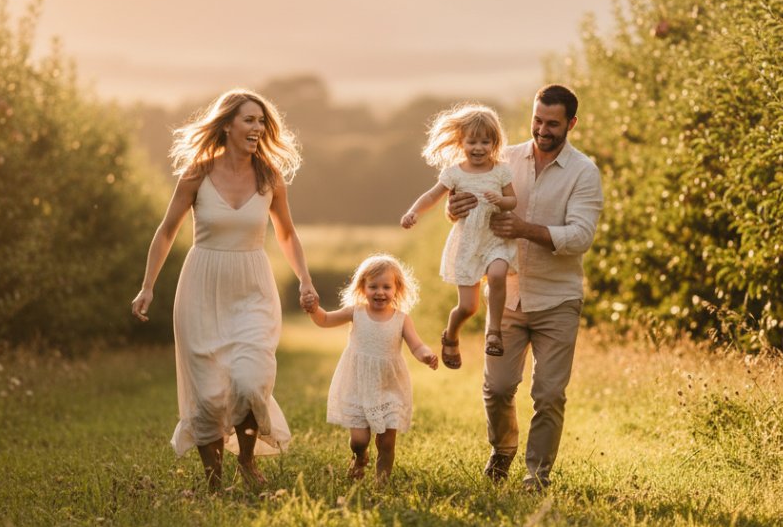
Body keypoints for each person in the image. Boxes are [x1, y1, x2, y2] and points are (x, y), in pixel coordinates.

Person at [131, 89, 319, 491]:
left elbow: (286, 233)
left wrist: (304, 279)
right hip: (201, 286)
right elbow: (166, 232)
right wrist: (147, 286)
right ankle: (213, 480)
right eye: (249, 120)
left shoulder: (270, 176)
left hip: (252, 286)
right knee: (210, 394)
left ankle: (247, 461)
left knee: (250, 380)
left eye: (261, 121)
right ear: (228, 124)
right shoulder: (197, 174)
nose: (257, 128)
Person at [447, 85, 603, 491]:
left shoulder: (584, 172)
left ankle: (537, 475)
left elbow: (581, 236)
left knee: (549, 393)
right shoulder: (505, 160)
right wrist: (454, 209)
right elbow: (468, 205)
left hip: (558, 299)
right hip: (507, 297)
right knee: (497, 389)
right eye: (537, 120)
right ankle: (503, 450)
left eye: (552, 123)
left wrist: (524, 230)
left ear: (571, 124)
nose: (542, 129)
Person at [302, 254, 438, 483]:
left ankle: (381, 481)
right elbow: (325, 320)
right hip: (358, 383)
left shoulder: (402, 319)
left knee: (386, 441)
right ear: (362, 287)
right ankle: (359, 456)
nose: (380, 292)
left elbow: (416, 344)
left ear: (397, 289)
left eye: (386, 286)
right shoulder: (355, 312)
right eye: (373, 286)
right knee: (359, 439)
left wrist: (426, 355)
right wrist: (314, 309)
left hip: (389, 385)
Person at [400, 104, 517, 368]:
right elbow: (432, 196)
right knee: (468, 308)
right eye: (472, 141)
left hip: (495, 239)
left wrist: (501, 199)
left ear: (495, 143)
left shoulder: (500, 171)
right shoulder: (454, 173)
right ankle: (451, 334)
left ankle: (494, 333)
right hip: (467, 244)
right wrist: (413, 212)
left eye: (485, 142)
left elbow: (513, 200)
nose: (478, 147)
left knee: (498, 274)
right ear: (461, 141)